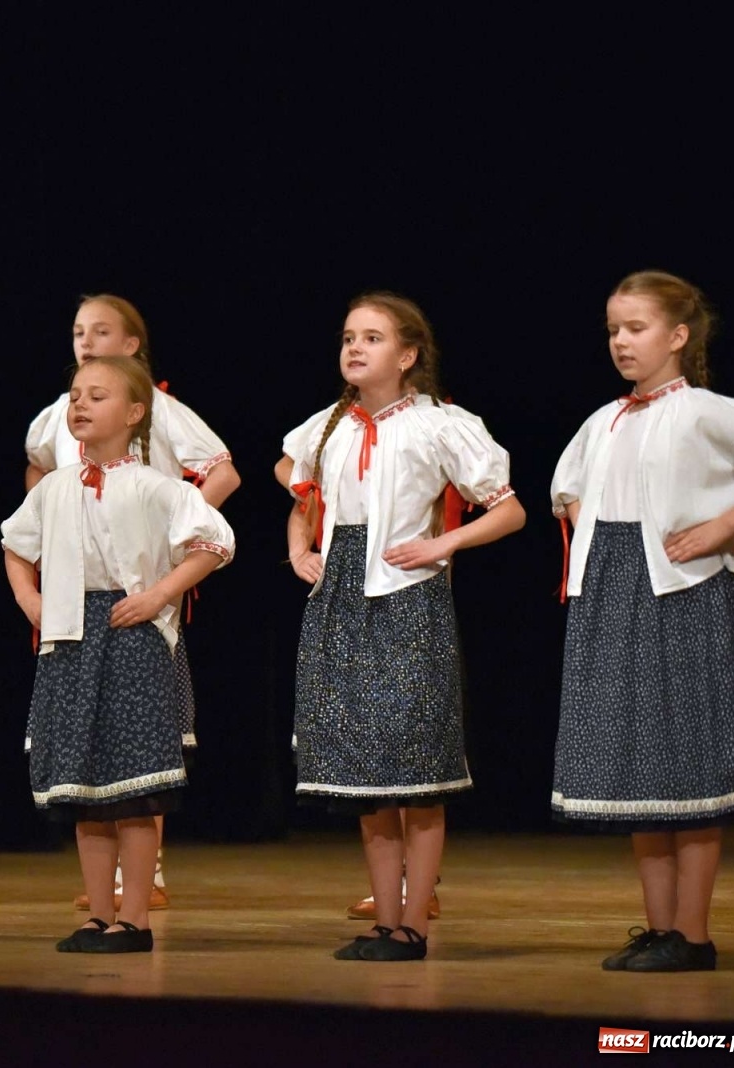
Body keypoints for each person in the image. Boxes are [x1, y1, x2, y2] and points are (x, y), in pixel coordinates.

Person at [276, 293, 524, 961]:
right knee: (364, 770)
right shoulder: (331, 426)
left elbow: (508, 511)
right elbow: (299, 487)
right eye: (349, 337)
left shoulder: (440, 423)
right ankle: (384, 920)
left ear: (408, 355)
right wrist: (302, 546)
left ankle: (414, 923)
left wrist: (441, 546)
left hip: (408, 599)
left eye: (374, 338)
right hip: (342, 600)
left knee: (415, 764)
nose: (356, 348)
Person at [551, 271, 734, 972]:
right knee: (641, 768)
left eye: (636, 328)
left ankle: (694, 935)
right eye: (614, 329)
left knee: (691, 763)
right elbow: (567, 490)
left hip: (685, 595)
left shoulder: (713, 412)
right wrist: (597, 541)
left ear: (677, 336)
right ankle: (660, 927)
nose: (621, 342)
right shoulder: (603, 420)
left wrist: (722, 526)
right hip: (615, 596)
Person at [4, 356, 234, 952]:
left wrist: (159, 593)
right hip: (70, 639)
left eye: (97, 396)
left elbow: (215, 541)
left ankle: (134, 917)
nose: (79, 404)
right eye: (75, 394)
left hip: (130, 636)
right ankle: (96, 913)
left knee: (134, 792)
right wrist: (31, 599)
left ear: (134, 414)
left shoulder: (155, 487)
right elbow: (13, 543)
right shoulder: (55, 486)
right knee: (85, 792)